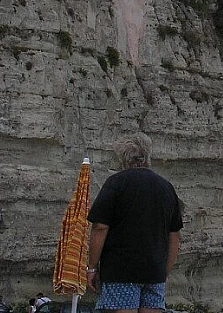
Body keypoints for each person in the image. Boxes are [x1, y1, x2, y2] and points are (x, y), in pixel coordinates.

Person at [86, 133, 182, 313]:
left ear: (122, 158)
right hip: (154, 271)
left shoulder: (116, 183)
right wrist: (164, 271)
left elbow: (100, 227)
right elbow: (174, 235)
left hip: (121, 271)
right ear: (147, 156)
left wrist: (91, 268)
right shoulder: (166, 187)